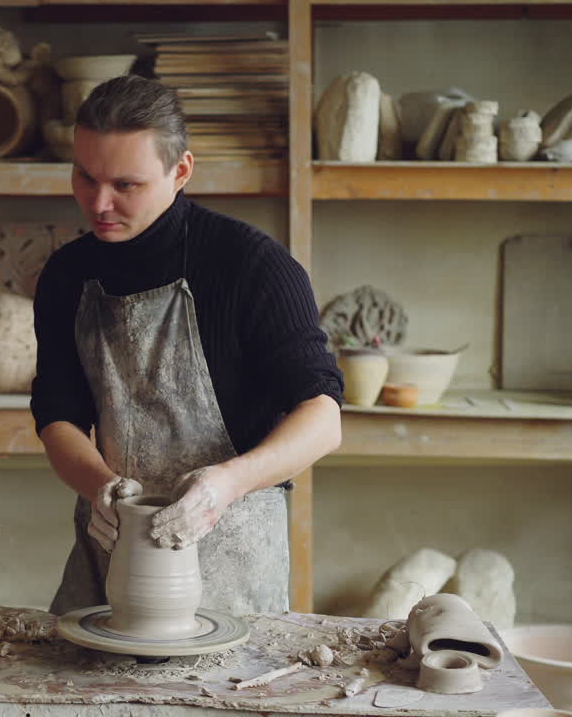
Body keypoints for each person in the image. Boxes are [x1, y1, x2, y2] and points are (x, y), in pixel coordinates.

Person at [31, 75, 344, 618]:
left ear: (180, 172)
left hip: (231, 556)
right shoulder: (67, 275)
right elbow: (57, 415)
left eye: (125, 185)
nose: (99, 202)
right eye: (85, 176)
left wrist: (225, 483)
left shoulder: (252, 267)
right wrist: (99, 485)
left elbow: (324, 418)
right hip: (110, 555)